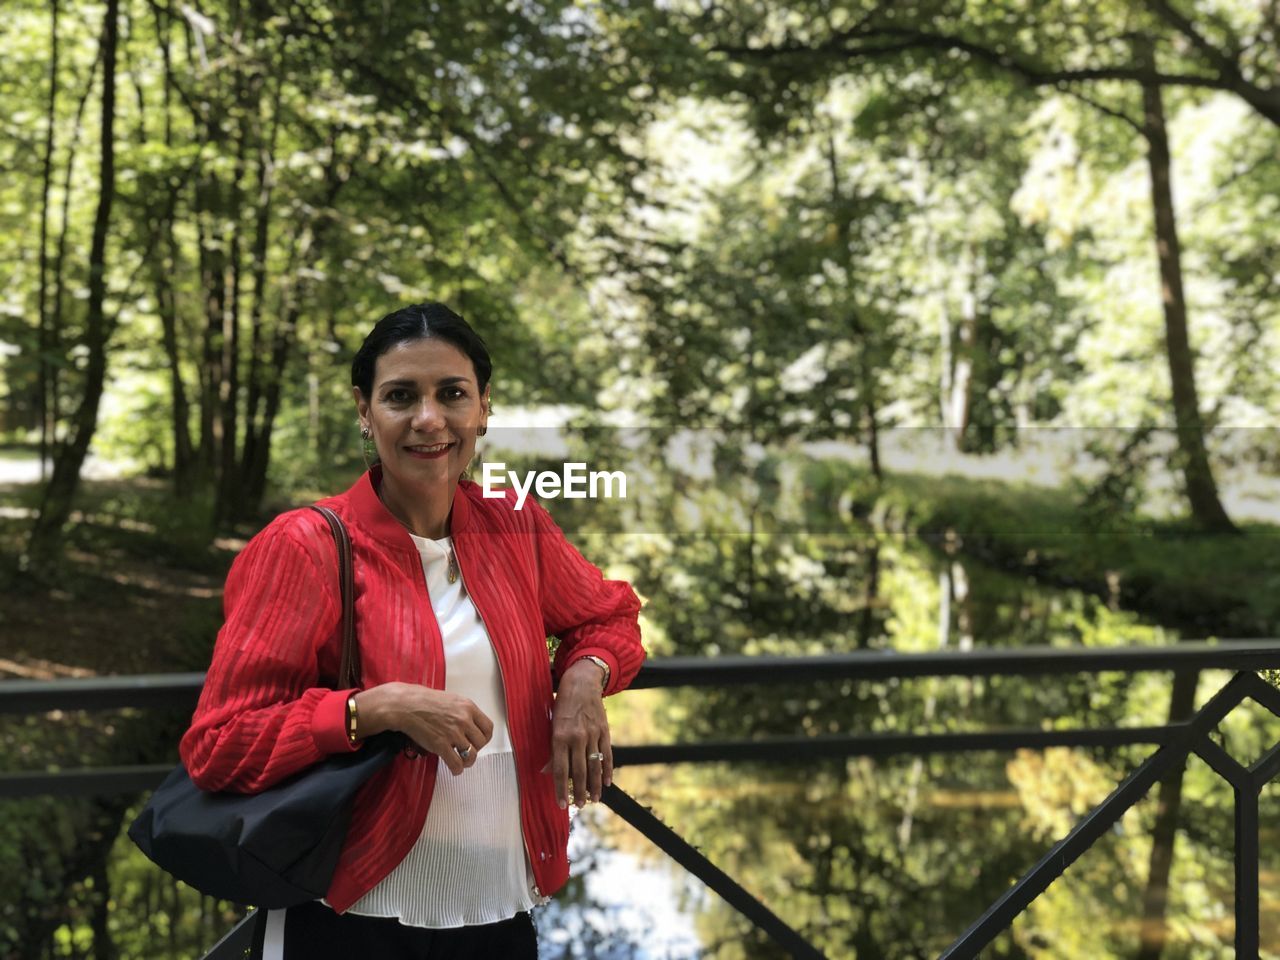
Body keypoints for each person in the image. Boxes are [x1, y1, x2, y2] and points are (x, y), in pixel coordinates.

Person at [179, 302, 646, 959]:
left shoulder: (515, 524)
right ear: (366, 413)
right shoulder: (305, 545)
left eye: (451, 394)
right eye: (401, 396)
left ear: (483, 407)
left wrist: (582, 678)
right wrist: (372, 709)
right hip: (348, 915)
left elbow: (609, 614)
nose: (429, 419)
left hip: (496, 909)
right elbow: (219, 744)